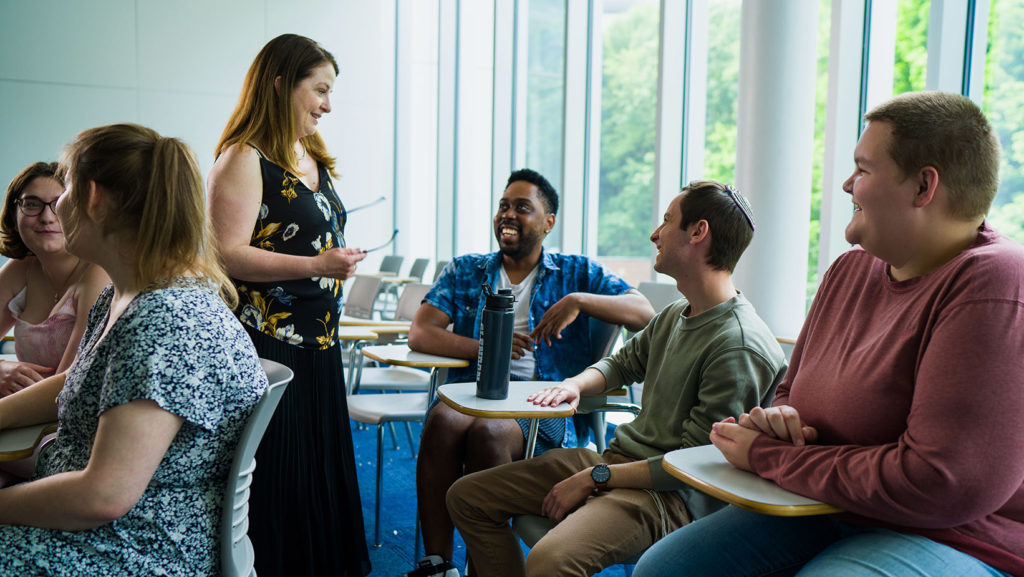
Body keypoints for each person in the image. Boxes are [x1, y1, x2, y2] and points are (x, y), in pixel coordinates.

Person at [632, 92, 1024, 577]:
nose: (847, 184)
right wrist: (776, 422)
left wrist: (769, 456)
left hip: (954, 537)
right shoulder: (848, 272)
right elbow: (790, 393)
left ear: (923, 186)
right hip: (824, 507)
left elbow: (940, 483)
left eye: (863, 169)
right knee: (662, 570)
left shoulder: (995, 281)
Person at [444, 180, 787, 577]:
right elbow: (620, 365)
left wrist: (598, 477)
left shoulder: (738, 344)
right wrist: (574, 384)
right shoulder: (678, 313)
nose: (654, 234)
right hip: (617, 464)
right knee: (466, 497)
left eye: (666, 221)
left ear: (698, 232)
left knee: (549, 560)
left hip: (666, 496)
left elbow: (694, 466)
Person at [0, 122, 266, 576]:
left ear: (95, 198)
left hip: (139, 546)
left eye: (65, 187)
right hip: (122, 521)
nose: (56, 206)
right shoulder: (132, 292)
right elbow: (79, 377)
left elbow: (104, 496)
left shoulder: (164, 321)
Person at [406, 168, 656, 576]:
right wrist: (489, 350)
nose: (508, 214)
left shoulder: (577, 273)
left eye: (523, 207)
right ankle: (437, 564)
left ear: (548, 222)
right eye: (503, 205)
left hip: (544, 405)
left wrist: (579, 300)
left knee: (488, 433)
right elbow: (421, 332)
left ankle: (482, 565)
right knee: (441, 420)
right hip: (477, 388)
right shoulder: (467, 269)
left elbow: (643, 312)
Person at [206, 33, 371, 576]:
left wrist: (333, 261)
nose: (327, 104)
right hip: (267, 342)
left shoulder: (312, 155)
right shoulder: (243, 157)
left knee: (314, 473)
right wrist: (317, 265)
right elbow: (226, 256)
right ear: (280, 85)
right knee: (278, 475)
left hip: (320, 341)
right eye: (319, 90)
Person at [0, 162, 108, 397]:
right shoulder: (21, 268)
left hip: (62, 419)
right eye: (31, 204)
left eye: (59, 205)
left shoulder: (98, 272)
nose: (47, 217)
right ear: (12, 213)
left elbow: (69, 387)